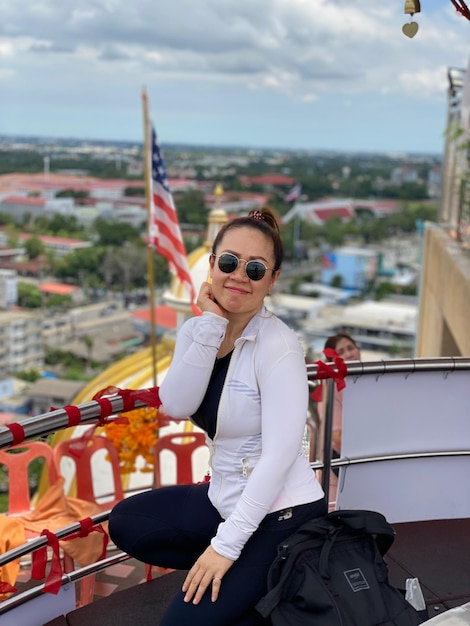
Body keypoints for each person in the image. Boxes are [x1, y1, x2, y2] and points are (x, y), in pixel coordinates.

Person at [108, 207, 326, 625]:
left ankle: (262, 574)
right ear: (211, 265)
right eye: (228, 262)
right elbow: (177, 403)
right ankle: (253, 582)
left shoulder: (278, 346)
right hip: (223, 499)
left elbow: (280, 456)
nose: (239, 275)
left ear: (273, 280)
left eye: (256, 268)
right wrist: (211, 327)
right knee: (128, 522)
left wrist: (226, 547)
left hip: (280, 515)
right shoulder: (198, 330)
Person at [317, 333, 361, 500]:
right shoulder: (331, 388)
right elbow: (337, 437)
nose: (349, 354)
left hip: (364, 463)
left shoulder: (369, 380)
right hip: (340, 472)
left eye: (351, 348)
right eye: (341, 352)